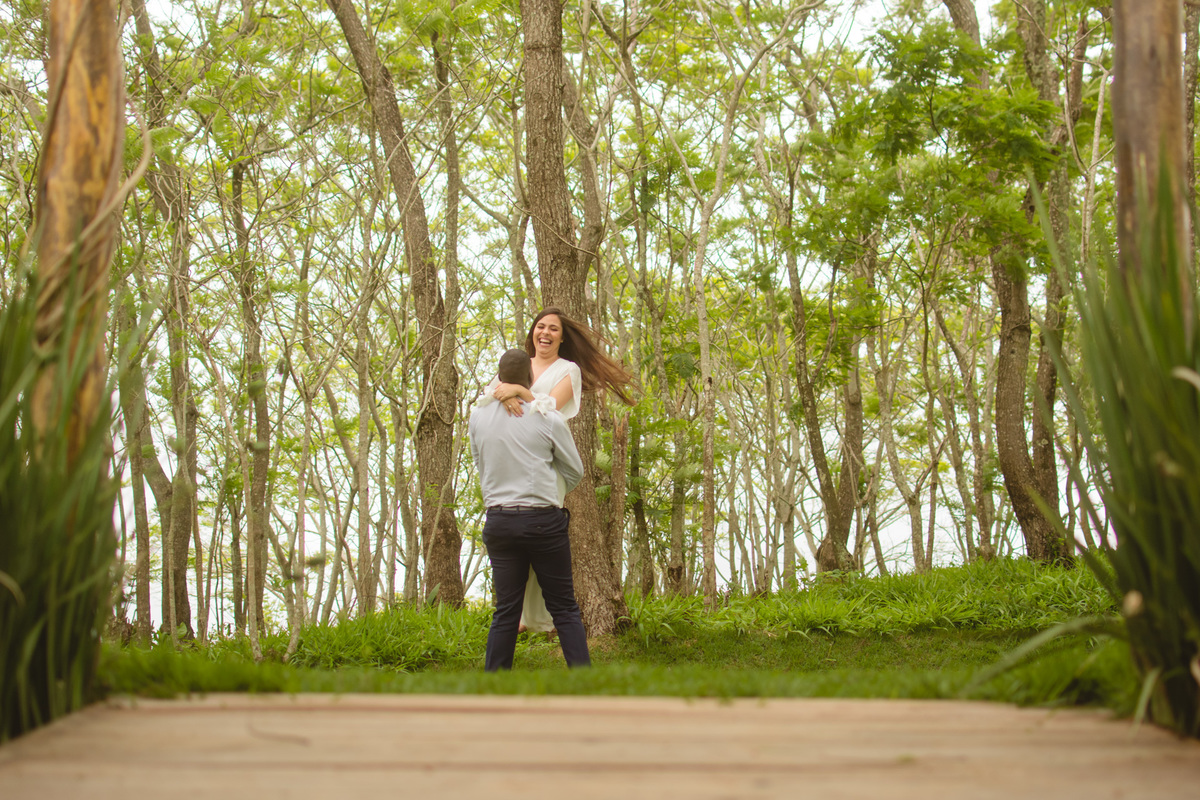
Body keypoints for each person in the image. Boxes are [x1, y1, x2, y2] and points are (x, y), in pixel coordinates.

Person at [477, 307, 636, 632]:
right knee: (514, 534)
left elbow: (549, 407)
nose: (545, 333)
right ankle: (517, 612)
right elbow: (491, 396)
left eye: (553, 329)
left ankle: (536, 616)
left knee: (539, 531)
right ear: (533, 332)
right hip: (510, 460)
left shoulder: (568, 369)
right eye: (540, 326)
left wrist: (519, 392)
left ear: (562, 338)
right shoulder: (517, 363)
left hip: (545, 462)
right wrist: (505, 395)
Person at [468, 349, 591, 670]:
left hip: (499, 521)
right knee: (564, 607)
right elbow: (575, 471)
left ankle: (494, 685)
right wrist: (547, 489)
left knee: (506, 610)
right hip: (543, 521)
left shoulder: (477, 416)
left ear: (499, 377)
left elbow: (480, 464)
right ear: (531, 378)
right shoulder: (548, 418)